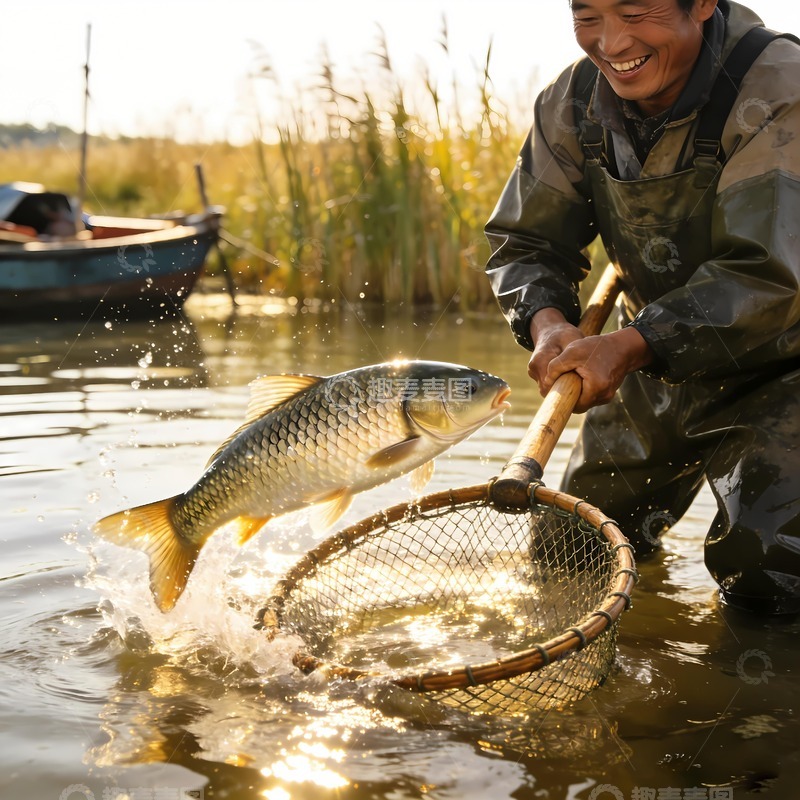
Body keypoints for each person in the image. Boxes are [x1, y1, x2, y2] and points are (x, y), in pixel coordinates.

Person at [484, 0, 800, 615]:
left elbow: (767, 276)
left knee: (770, 572)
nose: (611, 41)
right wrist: (547, 323)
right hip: (650, 362)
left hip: (784, 365)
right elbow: (525, 243)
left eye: (635, 10)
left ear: (702, 4)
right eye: (587, 16)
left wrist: (628, 345)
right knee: (571, 548)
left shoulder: (779, 87)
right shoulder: (572, 102)